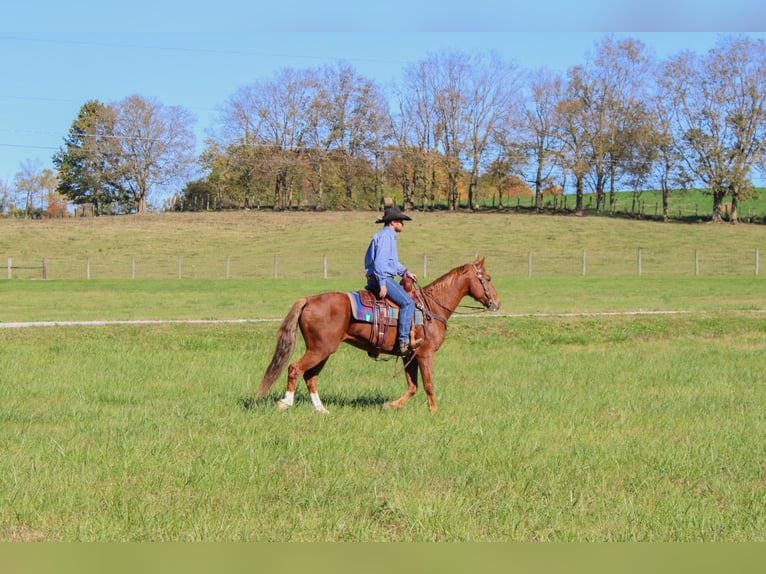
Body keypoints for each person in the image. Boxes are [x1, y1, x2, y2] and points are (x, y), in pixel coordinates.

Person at [364, 205, 418, 356]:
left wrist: (406, 272)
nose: (403, 224)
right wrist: (382, 283)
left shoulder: (386, 236)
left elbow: (392, 262)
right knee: (408, 303)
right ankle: (403, 342)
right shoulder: (386, 237)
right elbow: (380, 263)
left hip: (378, 276)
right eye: (401, 221)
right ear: (393, 222)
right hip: (382, 278)